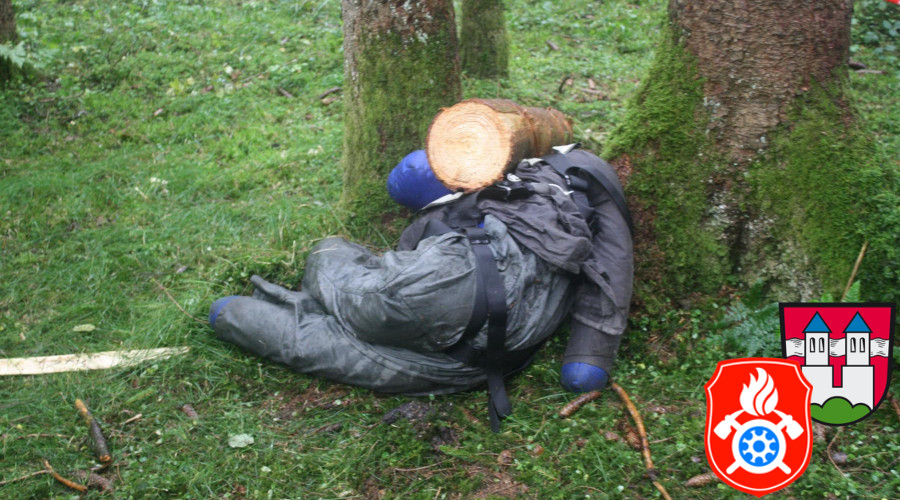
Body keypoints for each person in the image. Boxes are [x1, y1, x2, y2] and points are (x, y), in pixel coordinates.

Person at [209, 146, 633, 430]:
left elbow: (376, 299)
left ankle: (308, 273)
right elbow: (611, 270)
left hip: (449, 333)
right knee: (326, 329)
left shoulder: (566, 177)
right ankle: (271, 304)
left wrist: (590, 356)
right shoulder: (555, 198)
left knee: (321, 269)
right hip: (487, 354)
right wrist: (588, 357)